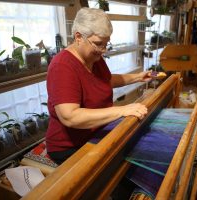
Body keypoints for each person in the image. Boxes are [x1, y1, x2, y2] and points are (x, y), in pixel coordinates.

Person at [46, 8, 152, 164]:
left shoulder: (94, 57)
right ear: (78, 37)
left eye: (106, 44)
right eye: (98, 44)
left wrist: (137, 77)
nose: (102, 50)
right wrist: (121, 110)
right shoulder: (62, 66)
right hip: (70, 147)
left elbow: (104, 81)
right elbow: (70, 116)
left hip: (96, 133)